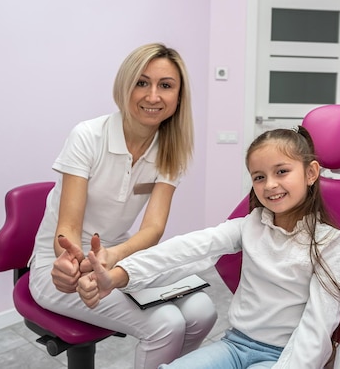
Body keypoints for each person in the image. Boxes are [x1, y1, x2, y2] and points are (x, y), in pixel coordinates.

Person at [75, 126, 340, 369]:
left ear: (311, 172)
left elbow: (317, 329)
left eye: (281, 171)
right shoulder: (250, 225)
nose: (270, 185)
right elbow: (190, 247)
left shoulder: (329, 243)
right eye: (259, 177)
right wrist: (119, 274)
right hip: (235, 345)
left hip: (284, 356)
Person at [29, 43, 218, 369]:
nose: (153, 96)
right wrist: (70, 264)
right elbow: (69, 228)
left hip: (118, 257)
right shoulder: (88, 136)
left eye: (166, 85)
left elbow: (153, 228)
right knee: (166, 324)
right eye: (142, 82)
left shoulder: (170, 151)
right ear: (125, 86)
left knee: (203, 311)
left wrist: (114, 258)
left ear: (178, 96)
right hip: (59, 268)